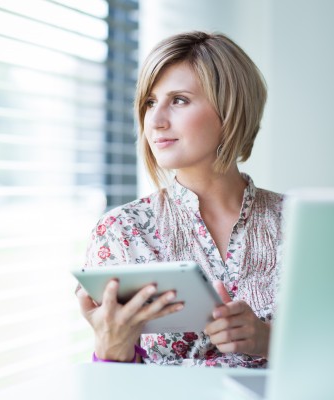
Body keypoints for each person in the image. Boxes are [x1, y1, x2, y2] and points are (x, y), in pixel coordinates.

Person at [76, 31, 283, 368]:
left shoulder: (304, 225)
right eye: (149, 103)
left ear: (230, 109)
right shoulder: (120, 231)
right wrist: (111, 350)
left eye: (179, 99)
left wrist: (269, 340)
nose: (155, 122)